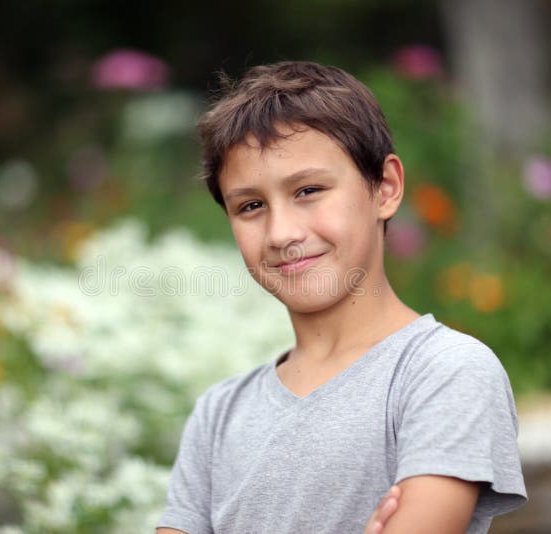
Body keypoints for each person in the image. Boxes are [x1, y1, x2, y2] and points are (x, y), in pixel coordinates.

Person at [155, 61, 527, 534]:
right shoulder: (218, 414)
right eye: (251, 206)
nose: (281, 233)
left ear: (386, 189)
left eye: (309, 190)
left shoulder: (443, 374)